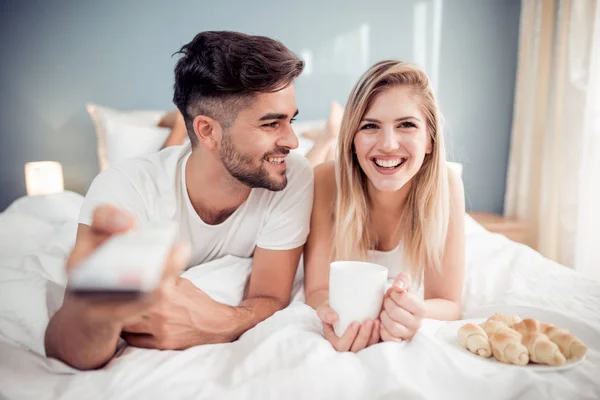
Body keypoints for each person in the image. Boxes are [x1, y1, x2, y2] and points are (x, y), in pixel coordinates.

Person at [44, 31, 314, 370]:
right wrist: (96, 312)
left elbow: (271, 297)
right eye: (271, 123)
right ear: (207, 131)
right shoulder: (125, 189)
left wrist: (224, 322)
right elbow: (65, 349)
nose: (292, 140)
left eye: (292, 120)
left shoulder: (292, 176)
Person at [303, 61, 465, 352]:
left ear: (429, 139)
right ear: (352, 140)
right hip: (329, 170)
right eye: (370, 126)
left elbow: (450, 304)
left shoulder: (447, 184)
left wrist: (413, 312)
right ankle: (329, 136)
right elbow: (316, 290)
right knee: (301, 175)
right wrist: (331, 313)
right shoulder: (325, 180)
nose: (388, 144)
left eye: (406, 125)